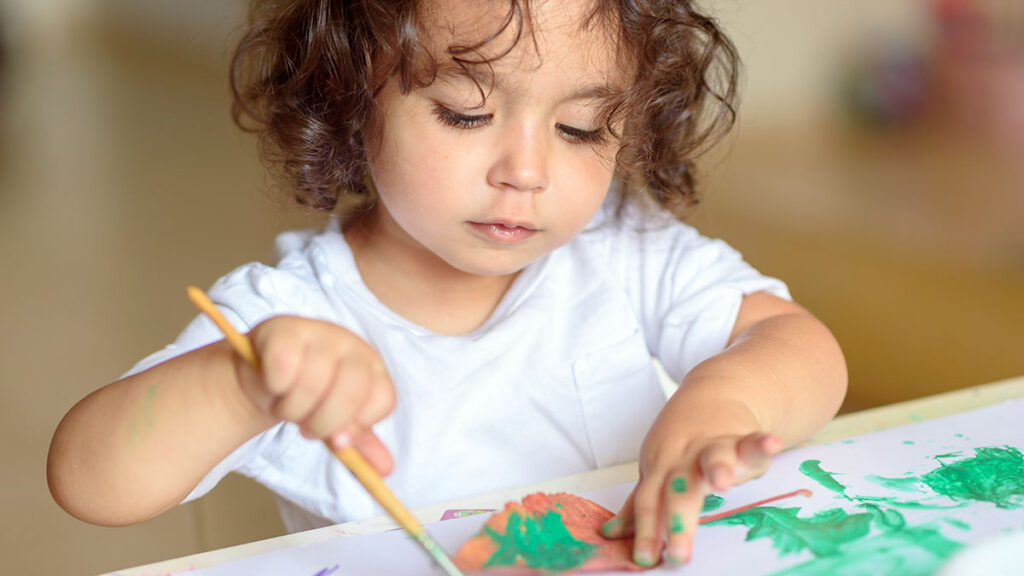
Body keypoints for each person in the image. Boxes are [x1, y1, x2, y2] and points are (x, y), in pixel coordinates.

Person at [47, 0, 847, 567]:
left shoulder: (626, 252)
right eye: (466, 113)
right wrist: (241, 383)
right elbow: (90, 481)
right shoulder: (290, 317)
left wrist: (727, 403)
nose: (526, 171)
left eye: (578, 129)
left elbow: (802, 349)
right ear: (353, 95)